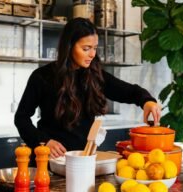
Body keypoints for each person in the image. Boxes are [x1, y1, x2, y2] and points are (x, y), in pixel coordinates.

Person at [14, 18, 161, 158]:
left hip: (82, 161)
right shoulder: (42, 77)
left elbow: (130, 92)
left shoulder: (95, 75)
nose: (92, 54)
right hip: (49, 161)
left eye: (95, 48)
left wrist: (147, 101)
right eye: (86, 48)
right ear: (69, 46)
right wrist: (44, 142)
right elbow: (21, 118)